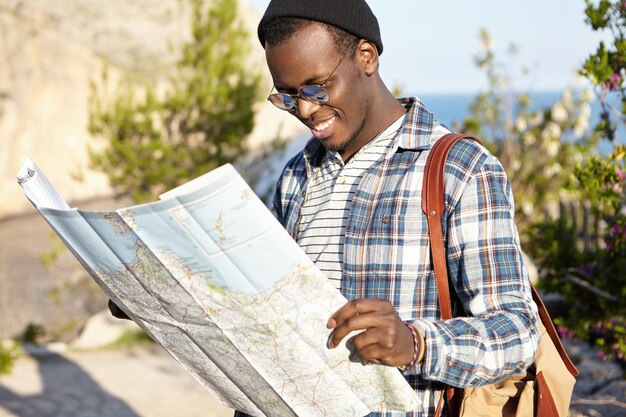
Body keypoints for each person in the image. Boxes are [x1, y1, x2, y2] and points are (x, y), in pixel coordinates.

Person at [242, 0, 541, 416]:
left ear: (366, 57)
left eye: (316, 88)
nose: (306, 110)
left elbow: (518, 334)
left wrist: (415, 343)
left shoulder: (459, 169)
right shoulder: (297, 176)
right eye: (289, 97)